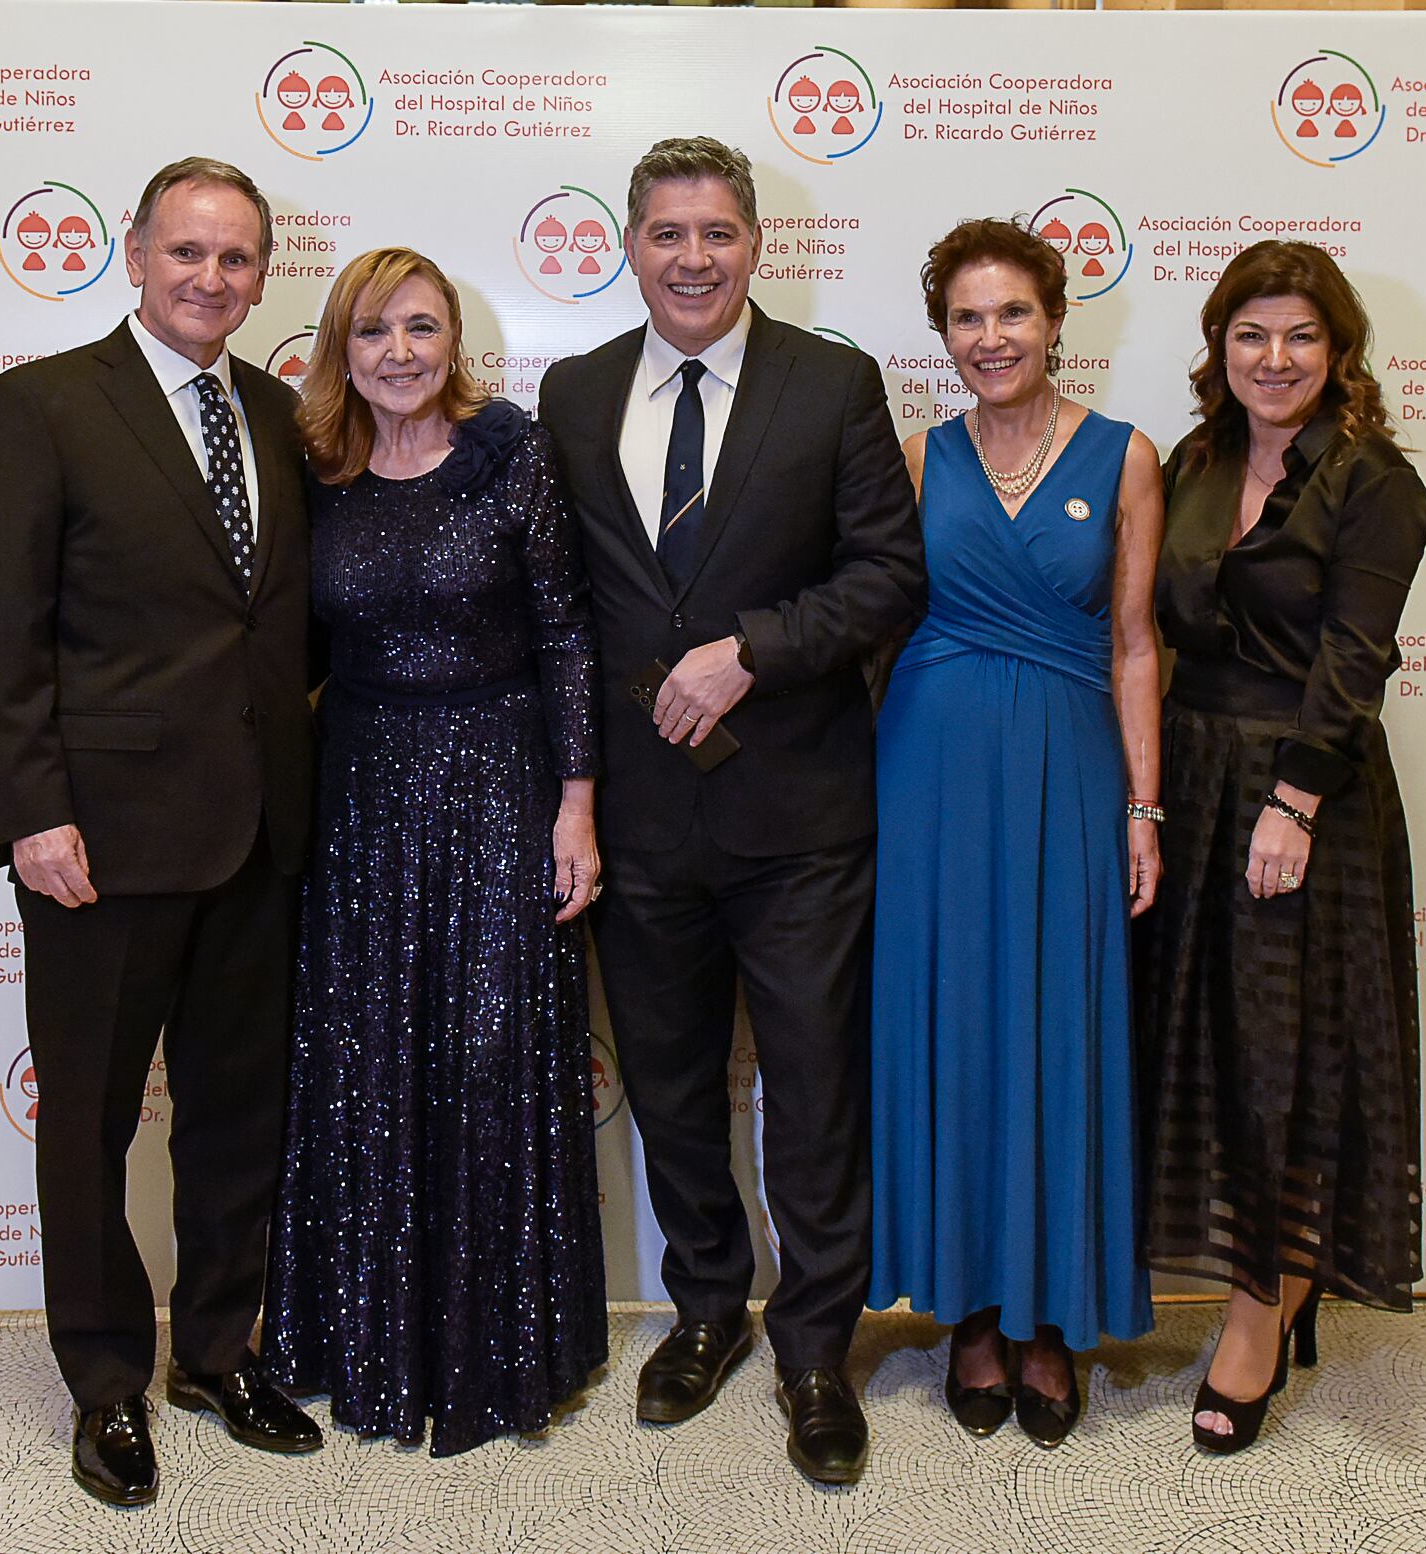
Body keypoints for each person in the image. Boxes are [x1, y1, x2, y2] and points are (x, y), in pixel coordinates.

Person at [538, 137, 926, 1486]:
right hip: (641, 822)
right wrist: (572, 788)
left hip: (804, 816)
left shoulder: (834, 382)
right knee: (670, 1086)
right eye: (667, 233)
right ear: (631, 245)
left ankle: (816, 1341)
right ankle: (706, 1306)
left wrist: (750, 648)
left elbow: (887, 574)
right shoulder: (575, 392)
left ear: (755, 242)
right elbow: (570, 609)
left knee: (816, 1092)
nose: (692, 256)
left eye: (716, 232)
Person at [0, 156, 321, 1507]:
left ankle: (217, 1349)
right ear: (134, 251)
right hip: (98, 843)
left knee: (237, 1118)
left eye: (236, 258)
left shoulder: (286, 414)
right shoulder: (44, 404)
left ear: (260, 271)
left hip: (260, 838)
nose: (212, 279)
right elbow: (3, 631)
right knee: (93, 1128)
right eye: (189, 253)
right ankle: (107, 1379)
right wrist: (33, 808)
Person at [261, 248, 607, 1457]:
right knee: (366, 1064)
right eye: (372, 332)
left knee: (489, 1058)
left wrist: (576, 804)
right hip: (357, 799)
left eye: (421, 328)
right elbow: (283, 643)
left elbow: (566, 632)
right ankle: (366, 1340)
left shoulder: (510, 448)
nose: (398, 353)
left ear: (452, 340)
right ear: (337, 349)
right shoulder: (315, 469)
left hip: (500, 788)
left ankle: (497, 1350)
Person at [869, 218, 1164, 1450]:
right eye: (968, 320)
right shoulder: (912, 453)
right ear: (944, 337)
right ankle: (973, 1313)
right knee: (955, 1033)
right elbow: (873, 623)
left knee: (1058, 1033)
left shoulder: (1126, 453)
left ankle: (1054, 1321)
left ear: (1057, 321)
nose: (992, 338)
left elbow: (1136, 643)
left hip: (1071, 769)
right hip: (931, 768)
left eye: (1014, 315)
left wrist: (1145, 807)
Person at [1137, 240, 1426, 1453]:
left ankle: (1262, 1317)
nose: (1275, 358)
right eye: (1252, 333)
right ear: (1220, 345)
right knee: (1202, 1055)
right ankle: (1250, 1281)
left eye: (1301, 336)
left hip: (1300, 798)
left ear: (1340, 351)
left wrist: (1295, 803)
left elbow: (1353, 661)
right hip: (1194, 783)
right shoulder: (1196, 459)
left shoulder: (1376, 482)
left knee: (1286, 1069)